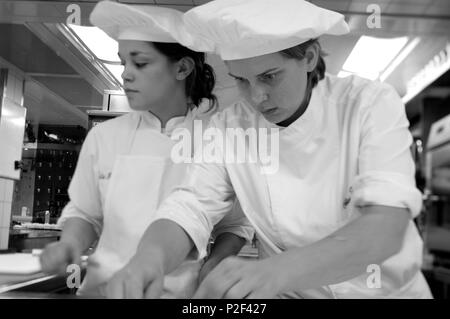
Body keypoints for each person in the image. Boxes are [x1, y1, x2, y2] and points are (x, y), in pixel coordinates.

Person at [104, 0, 433, 298]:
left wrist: (274, 272)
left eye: (269, 76)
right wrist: (148, 260)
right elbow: (190, 206)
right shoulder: (229, 128)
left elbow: (385, 227)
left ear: (308, 58)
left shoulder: (368, 104)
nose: (256, 97)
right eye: (242, 81)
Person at [39, 1, 253, 298]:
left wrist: (215, 264)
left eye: (139, 63)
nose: (125, 74)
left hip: (181, 293)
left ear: (182, 68)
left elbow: (235, 225)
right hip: (103, 289)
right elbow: (85, 213)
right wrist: (70, 244)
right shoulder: (104, 137)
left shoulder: (216, 142)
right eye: (123, 62)